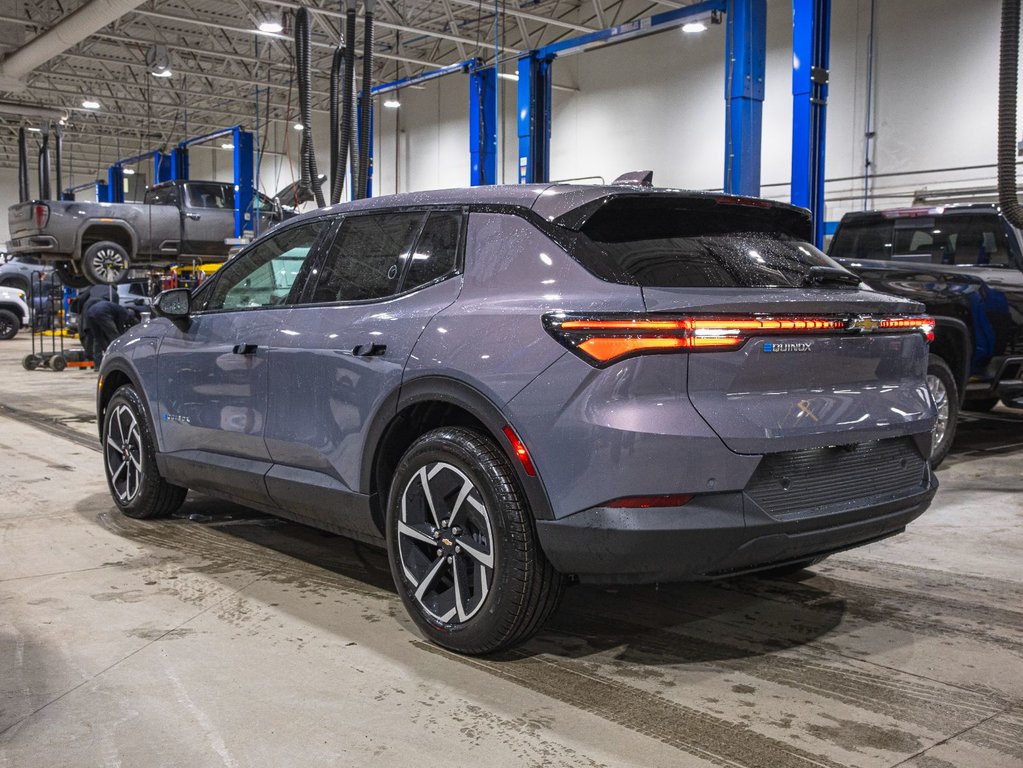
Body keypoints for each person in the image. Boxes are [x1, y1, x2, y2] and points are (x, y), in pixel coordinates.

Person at [82, 300, 138, 366]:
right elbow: (119, 329)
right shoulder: (124, 313)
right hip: (101, 313)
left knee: (98, 338)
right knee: (115, 337)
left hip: (90, 313)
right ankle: (117, 359)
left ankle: (97, 364)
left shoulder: (119, 308)